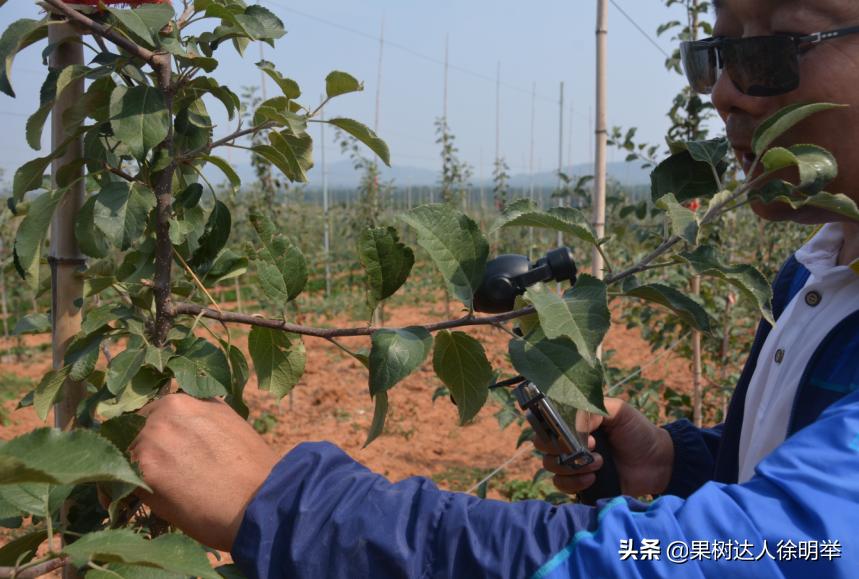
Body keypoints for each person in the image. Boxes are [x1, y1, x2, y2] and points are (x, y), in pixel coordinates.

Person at [128, 0, 859, 577]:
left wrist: (293, 507)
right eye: (716, 53)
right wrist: (677, 463)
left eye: (774, 46)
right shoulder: (818, 266)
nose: (725, 91)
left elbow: (766, 555)